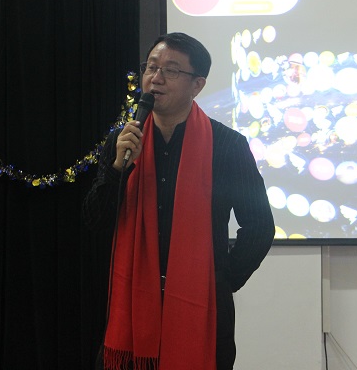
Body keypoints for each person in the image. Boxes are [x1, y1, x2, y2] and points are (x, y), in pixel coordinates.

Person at [82, 32, 275, 370]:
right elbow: (94, 220)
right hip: (131, 302)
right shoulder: (122, 141)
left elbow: (259, 226)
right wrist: (118, 168)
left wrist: (222, 280)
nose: (155, 78)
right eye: (151, 67)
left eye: (170, 71)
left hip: (201, 303)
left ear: (197, 85)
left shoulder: (227, 145)